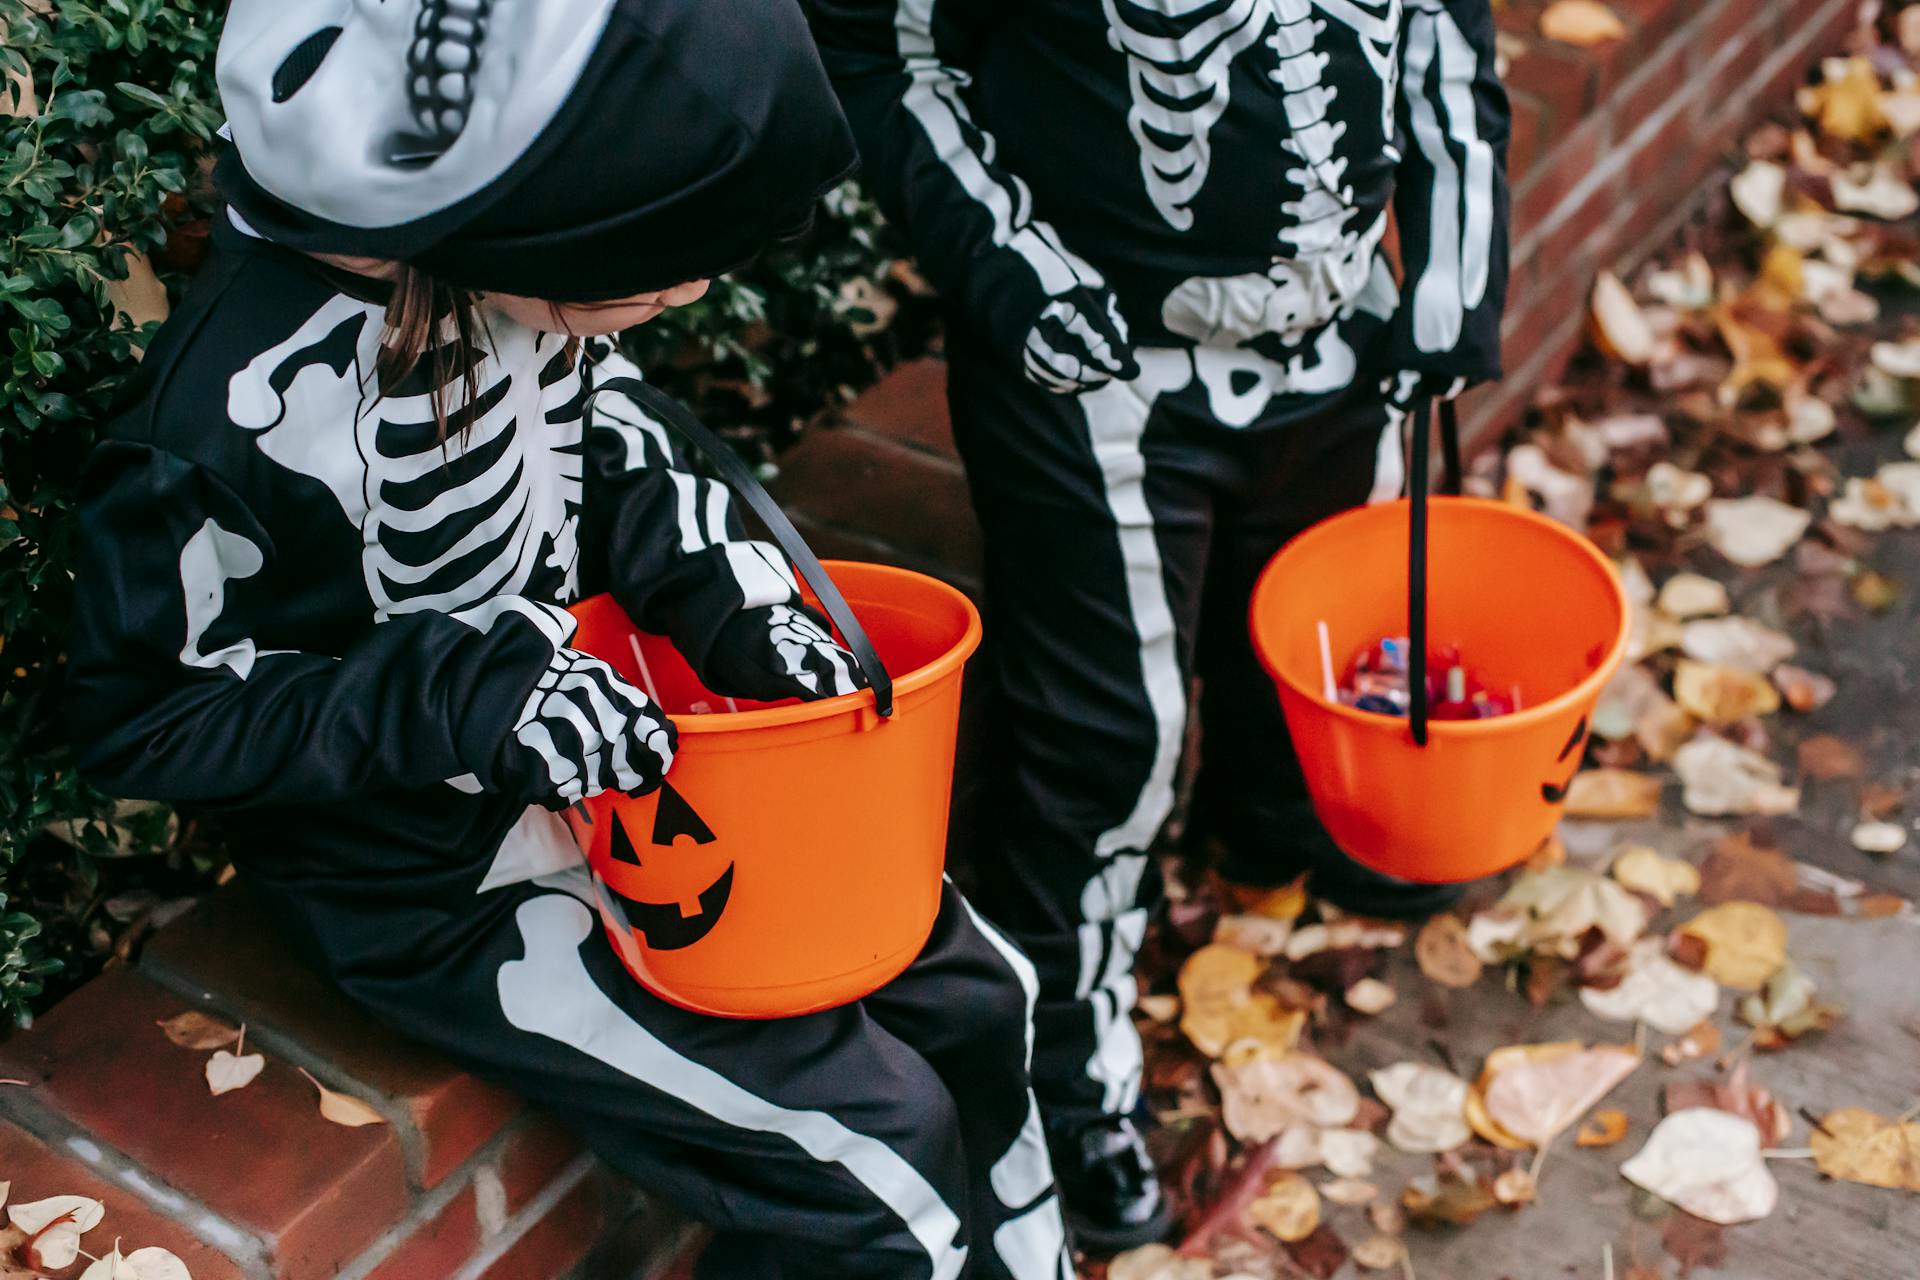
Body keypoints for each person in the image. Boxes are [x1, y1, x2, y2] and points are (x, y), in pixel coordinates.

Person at [65, 3, 1075, 1277]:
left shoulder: (502, 284)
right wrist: (460, 696)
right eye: (651, 264)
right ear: (494, 222)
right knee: (876, 1165)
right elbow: (145, 716)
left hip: (634, 781)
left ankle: (1029, 1254)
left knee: (984, 990)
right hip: (446, 888)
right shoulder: (224, 419)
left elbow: (621, 451)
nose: (693, 291)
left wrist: (740, 602)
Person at [802, 0, 1511, 1249]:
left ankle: (1278, 828)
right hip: (1103, 364)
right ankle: (1066, 1073)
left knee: (1310, 645)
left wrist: (1455, 268)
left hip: (1342, 334)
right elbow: (874, 42)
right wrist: (1010, 265)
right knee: (1107, 737)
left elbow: (1449, 37)